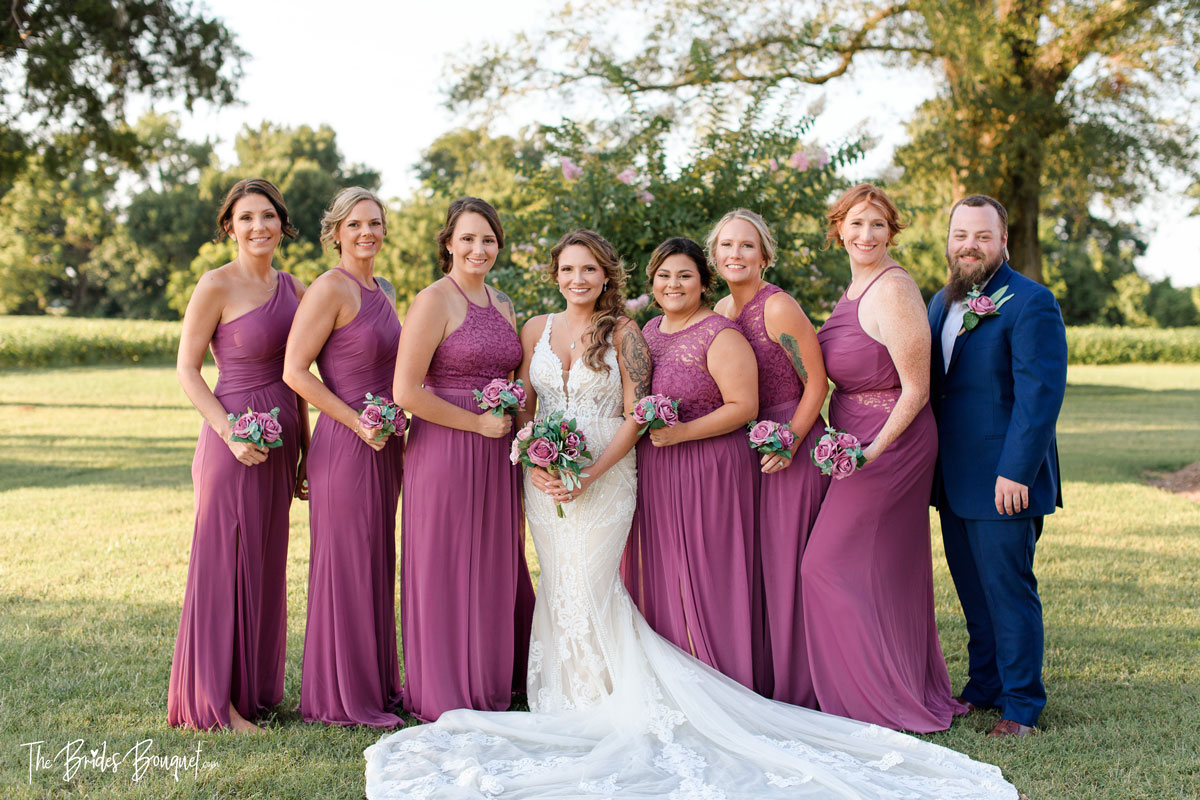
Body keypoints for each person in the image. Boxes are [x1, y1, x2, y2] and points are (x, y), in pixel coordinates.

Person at [363, 233, 1019, 800]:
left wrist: (590, 469)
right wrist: (532, 452)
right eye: (567, 270)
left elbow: (636, 409)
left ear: (608, 277)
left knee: (595, 584)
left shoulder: (627, 333)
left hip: (607, 472)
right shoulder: (534, 328)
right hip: (545, 478)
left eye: (589, 269)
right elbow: (531, 406)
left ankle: (606, 698)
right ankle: (560, 696)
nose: (578, 279)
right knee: (560, 584)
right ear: (556, 276)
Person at [801, 183, 964, 732]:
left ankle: (869, 698)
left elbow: (916, 390)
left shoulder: (893, 290)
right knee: (876, 570)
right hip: (852, 441)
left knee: (822, 566)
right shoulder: (853, 289)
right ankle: (887, 679)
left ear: (891, 231)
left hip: (890, 445)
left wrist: (870, 453)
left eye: (877, 225)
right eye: (855, 224)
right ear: (838, 230)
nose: (865, 234)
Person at [169, 178, 308, 732]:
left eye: (268, 216)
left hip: (283, 436)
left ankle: (253, 691)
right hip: (232, 436)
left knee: (266, 560)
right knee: (222, 558)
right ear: (230, 226)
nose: (259, 227)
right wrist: (229, 432)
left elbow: (298, 375)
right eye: (247, 217)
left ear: (282, 224)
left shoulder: (294, 287)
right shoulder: (215, 285)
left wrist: (306, 453)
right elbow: (186, 369)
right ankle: (214, 702)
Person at [392, 196, 535, 722]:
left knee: (494, 559)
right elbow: (406, 391)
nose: (479, 248)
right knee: (447, 561)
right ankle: (445, 686)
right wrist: (476, 421)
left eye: (489, 239)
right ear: (448, 243)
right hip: (446, 449)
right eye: (469, 238)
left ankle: (491, 676)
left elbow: (516, 378)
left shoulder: (504, 303)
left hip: (498, 452)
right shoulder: (433, 300)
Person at [929, 194, 1067, 738]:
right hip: (953, 479)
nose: (970, 246)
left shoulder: (1031, 301)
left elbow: (1040, 396)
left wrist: (1016, 471)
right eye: (961, 235)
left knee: (1008, 592)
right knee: (971, 589)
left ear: (1003, 240)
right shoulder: (941, 302)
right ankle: (984, 685)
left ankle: (1021, 707)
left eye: (982, 236)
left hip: (1004, 479)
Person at [283, 187, 403, 728]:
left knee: (378, 562)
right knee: (347, 566)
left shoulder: (387, 287)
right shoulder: (329, 289)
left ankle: (375, 685)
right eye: (354, 224)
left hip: (388, 446)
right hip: (346, 444)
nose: (366, 233)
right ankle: (339, 697)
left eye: (374, 223)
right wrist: (357, 421)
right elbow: (294, 370)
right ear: (335, 232)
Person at [621, 237, 761, 691]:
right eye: (663, 275)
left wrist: (681, 433)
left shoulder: (720, 333)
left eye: (684, 275)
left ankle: (720, 678)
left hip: (710, 468)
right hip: (658, 472)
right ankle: (670, 677)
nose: (673, 283)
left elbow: (744, 406)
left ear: (703, 281)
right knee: (666, 571)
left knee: (706, 573)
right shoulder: (648, 333)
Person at [710, 209, 830, 706]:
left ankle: (801, 688)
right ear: (714, 255)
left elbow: (817, 383)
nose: (735, 255)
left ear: (764, 255)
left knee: (788, 568)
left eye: (746, 246)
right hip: (745, 449)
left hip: (789, 445)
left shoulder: (777, 308)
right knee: (756, 565)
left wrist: (790, 441)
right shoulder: (720, 309)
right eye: (726, 246)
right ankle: (762, 678)